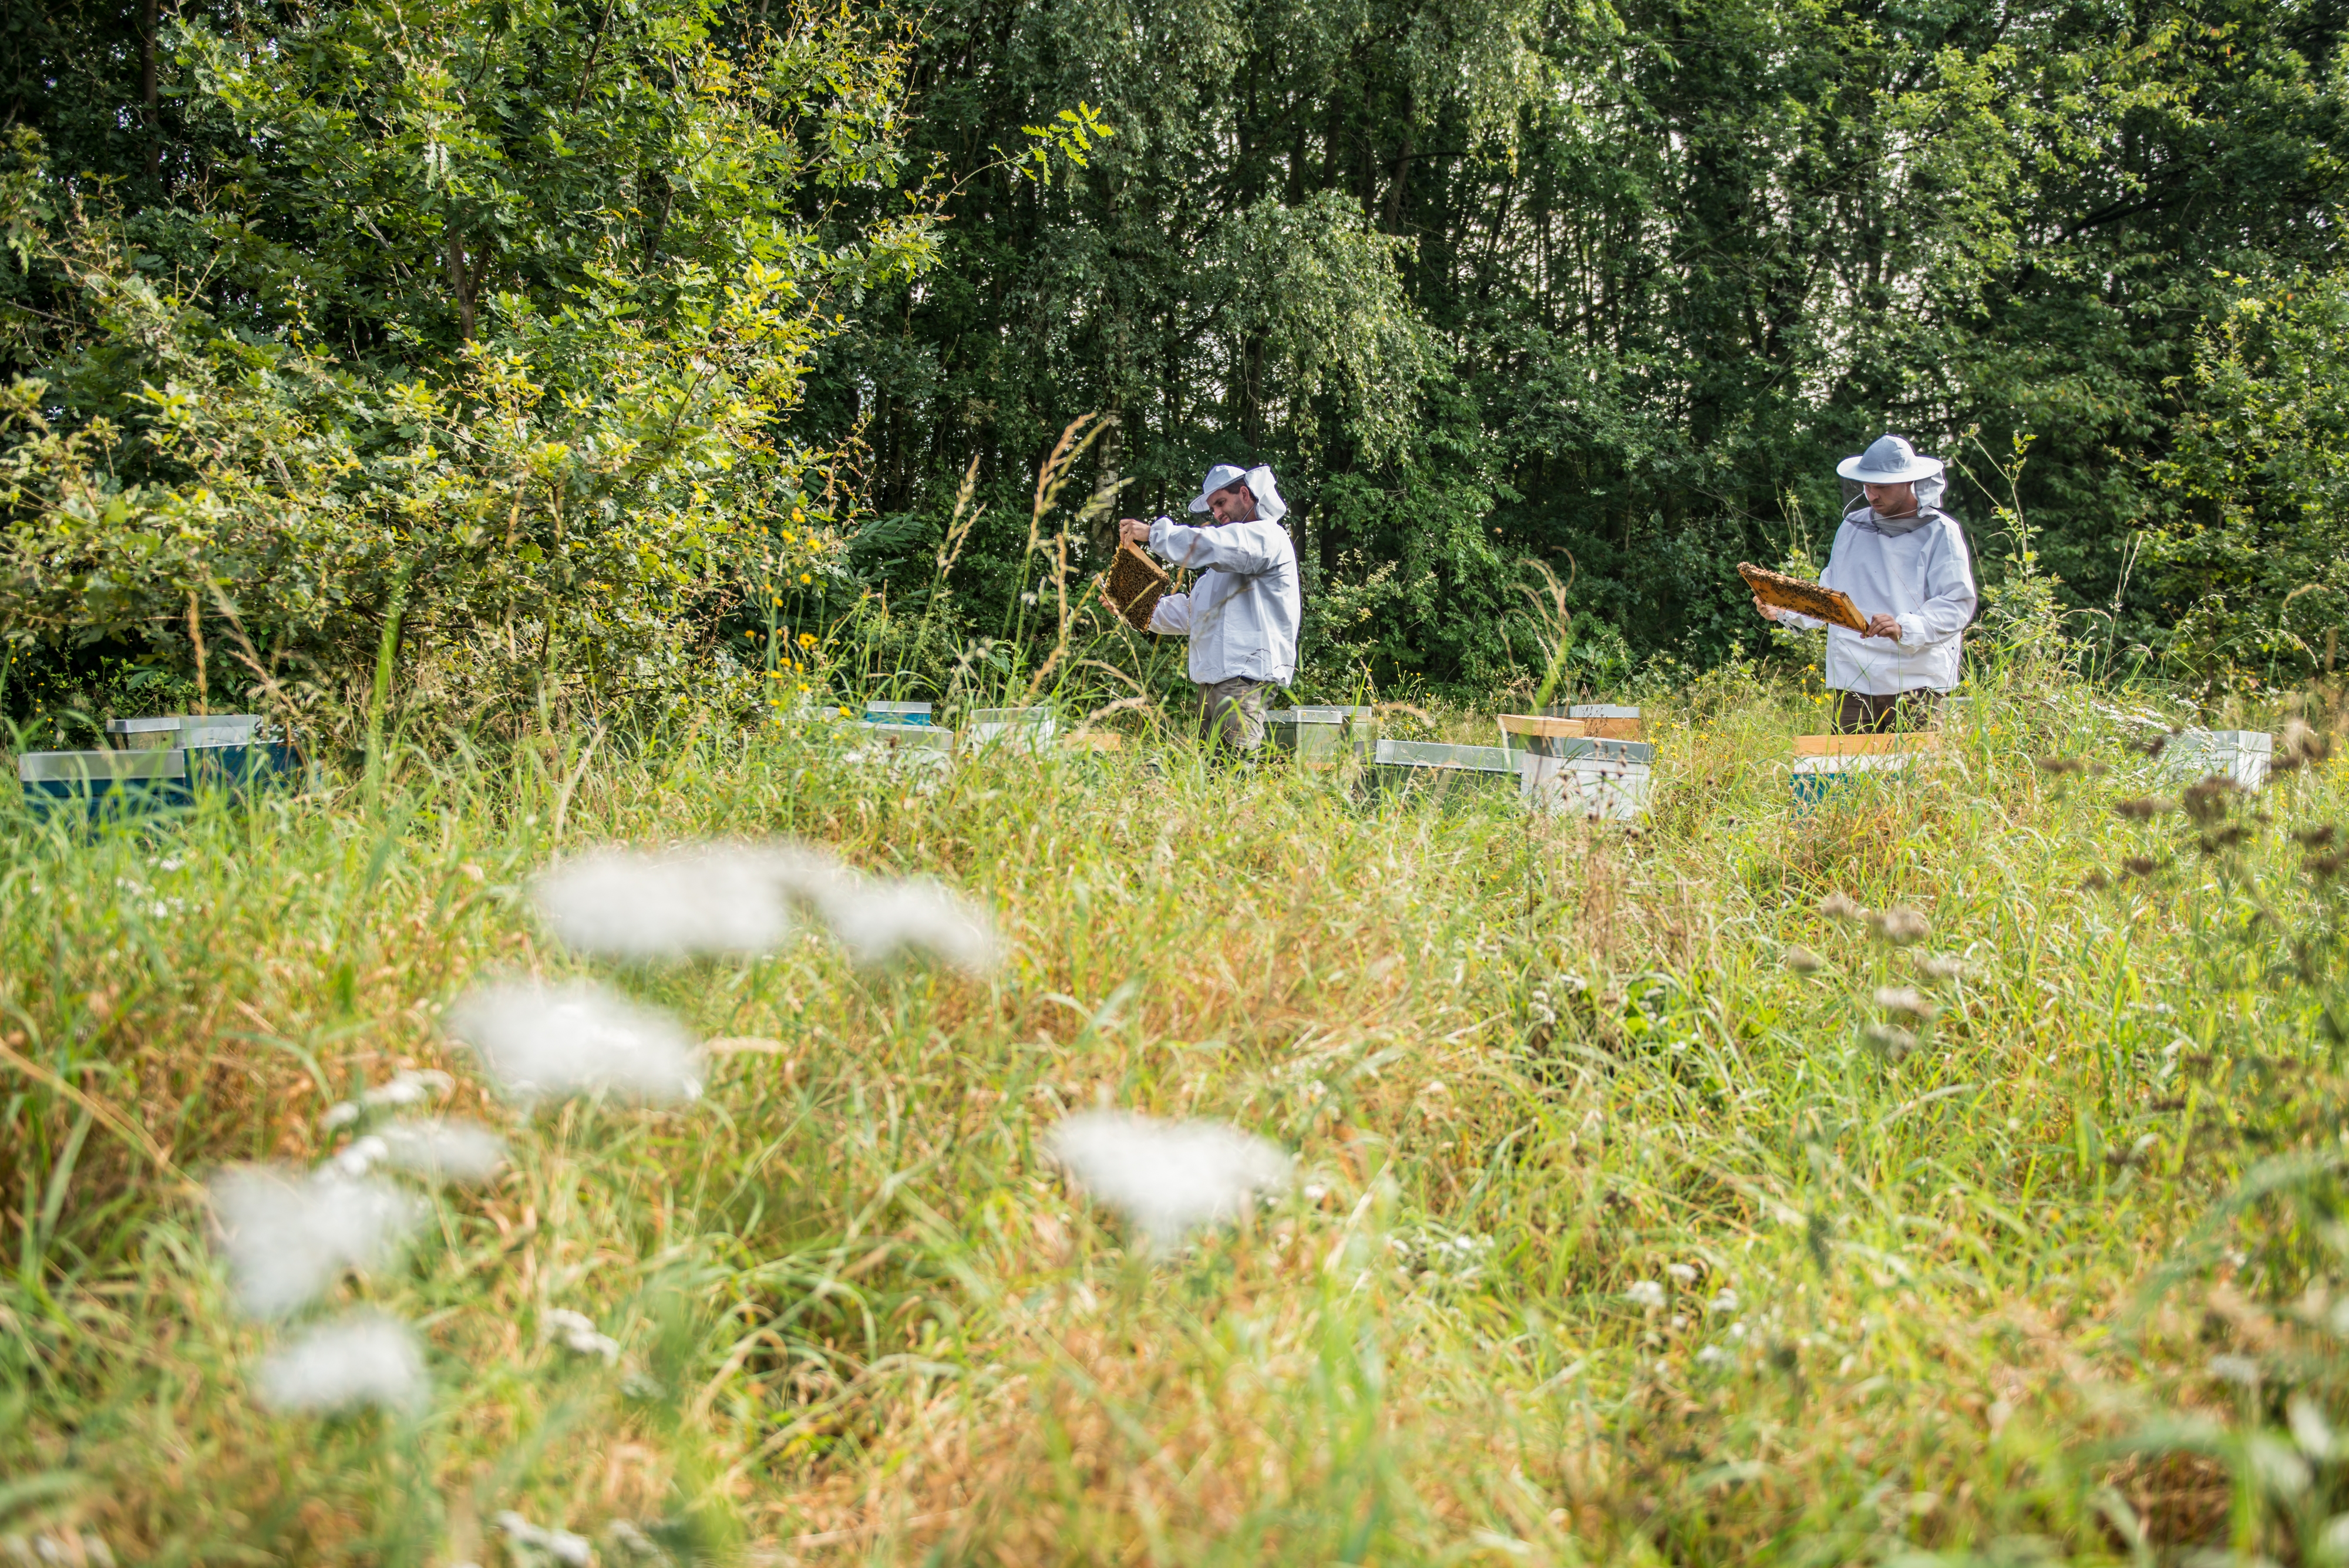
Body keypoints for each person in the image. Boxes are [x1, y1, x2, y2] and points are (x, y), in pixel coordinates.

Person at [1755, 434, 1978, 733]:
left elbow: (1956, 603)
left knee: (1915, 764)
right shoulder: (1851, 528)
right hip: (1855, 680)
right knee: (1848, 763)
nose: (1872, 495)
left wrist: (1905, 627)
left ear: (1908, 482)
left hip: (1917, 682)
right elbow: (1831, 596)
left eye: (1882, 487)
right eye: (1867, 486)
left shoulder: (1941, 532)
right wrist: (1783, 608)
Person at [1119, 463, 1301, 753]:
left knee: (1234, 769)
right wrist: (1130, 605)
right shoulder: (1221, 568)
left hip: (1245, 680)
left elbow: (1213, 545)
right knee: (1210, 776)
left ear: (1245, 494)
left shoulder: (1267, 537)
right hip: (1213, 682)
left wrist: (1154, 533)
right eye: (1213, 508)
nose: (1216, 514)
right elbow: (1191, 613)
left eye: (1221, 502)